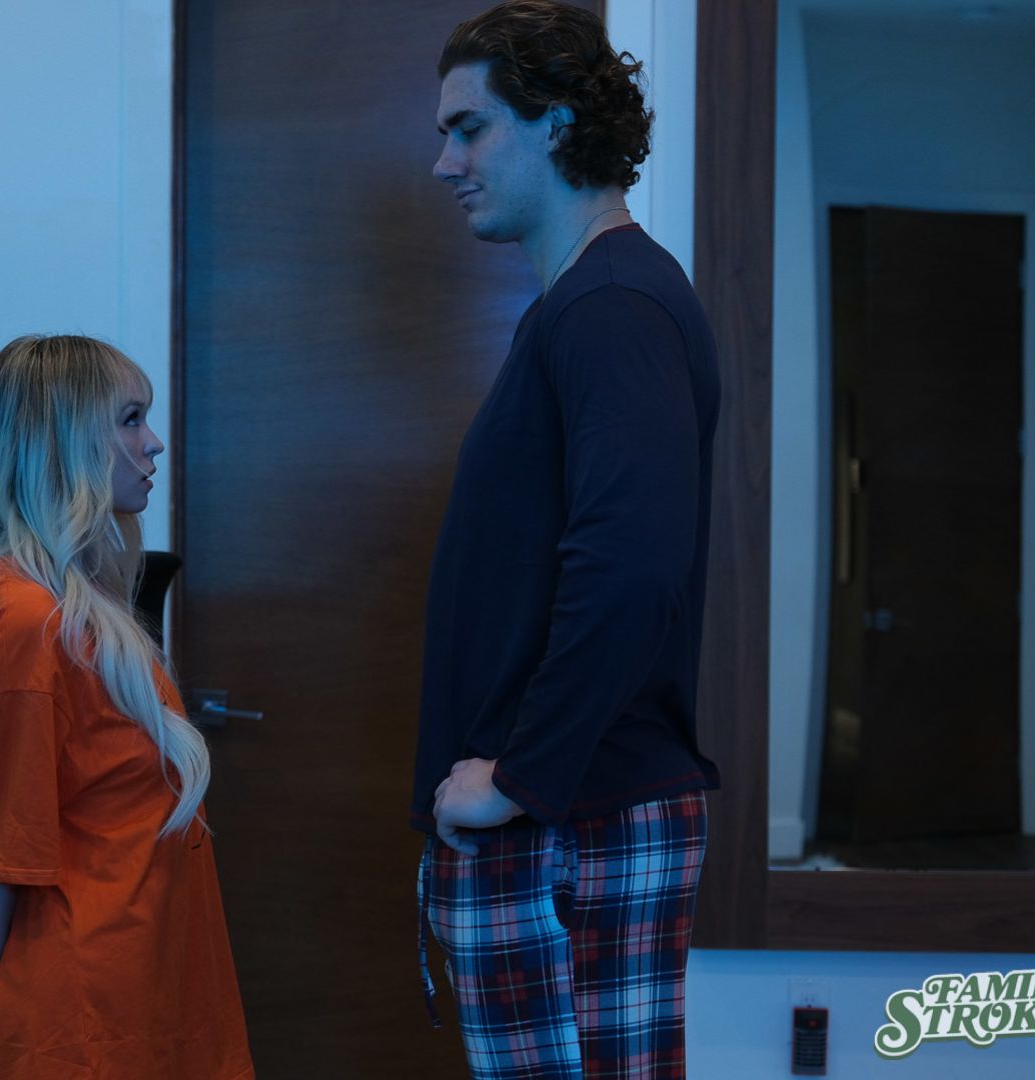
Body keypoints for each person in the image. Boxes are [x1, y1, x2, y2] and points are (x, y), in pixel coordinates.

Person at [412, 3, 722, 1077]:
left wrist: (521, 775)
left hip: (572, 826)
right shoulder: (586, 305)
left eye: (470, 128)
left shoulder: (612, 307)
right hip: (562, 823)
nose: (445, 163)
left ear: (556, 123)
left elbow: (632, 566)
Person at [0, 335, 254, 1080]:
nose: (153, 442)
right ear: (60, 444)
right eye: (130, 419)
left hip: (140, 990)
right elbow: (0, 859)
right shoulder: (22, 622)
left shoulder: (83, 611)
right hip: (78, 1024)